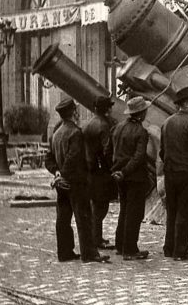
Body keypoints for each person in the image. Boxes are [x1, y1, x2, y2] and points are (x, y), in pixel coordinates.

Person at [45, 96, 110, 265]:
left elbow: (49, 159)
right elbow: (73, 159)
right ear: (73, 113)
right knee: (84, 218)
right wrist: (63, 175)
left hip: (62, 184)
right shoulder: (75, 133)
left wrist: (57, 174)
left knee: (63, 218)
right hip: (76, 183)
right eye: (76, 110)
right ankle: (89, 254)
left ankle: (64, 252)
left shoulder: (56, 133)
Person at [160, 85, 188, 261]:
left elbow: (162, 151)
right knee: (184, 212)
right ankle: (181, 250)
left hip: (170, 173)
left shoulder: (167, 122)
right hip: (187, 174)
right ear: (186, 104)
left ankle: (169, 247)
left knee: (172, 211)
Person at [111, 95, 151, 260]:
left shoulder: (118, 127)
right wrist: (126, 171)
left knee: (124, 210)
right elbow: (139, 156)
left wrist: (117, 170)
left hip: (120, 176)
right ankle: (130, 249)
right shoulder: (141, 131)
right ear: (141, 113)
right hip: (134, 177)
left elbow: (110, 150)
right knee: (134, 213)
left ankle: (120, 245)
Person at [82, 94, 116, 250]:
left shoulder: (88, 123)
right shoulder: (103, 125)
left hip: (89, 170)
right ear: (107, 109)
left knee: (95, 205)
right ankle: (96, 240)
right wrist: (112, 168)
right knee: (101, 207)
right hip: (101, 171)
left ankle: (96, 237)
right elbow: (107, 150)